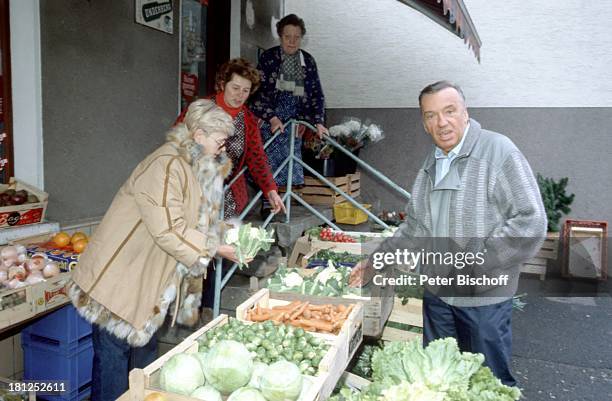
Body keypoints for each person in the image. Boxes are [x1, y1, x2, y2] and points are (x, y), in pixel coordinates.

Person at [350, 81, 547, 386]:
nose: (441, 122)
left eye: (449, 111)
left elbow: (530, 222)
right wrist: (377, 260)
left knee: (488, 384)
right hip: (439, 298)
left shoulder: (497, 151)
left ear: (465, 112)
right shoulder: (432, 163)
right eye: (430, 115)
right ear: (424, 123)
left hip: (483, 300)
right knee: (438, 384)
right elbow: (416, 228)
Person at [69, 99, 246, 401]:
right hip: (120, 282)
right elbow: (168, 228)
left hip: (144, 282)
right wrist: (217, 248)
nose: (224, 147)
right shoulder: (166, 166)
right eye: (220, 140)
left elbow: (192, 222)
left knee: (145, 363)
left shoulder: (189, 167)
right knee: (113, 366)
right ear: (199, 134)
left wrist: (231, 235)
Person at [249, 13, 327, 190]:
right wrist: (272, 117)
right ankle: (268, 204)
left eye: (296, 37)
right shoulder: (269, 58)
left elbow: (316, 94)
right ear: (280, 36)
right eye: (287, 37)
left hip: (294, 121)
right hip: (271, 119)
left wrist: (318, 122)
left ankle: (283, 203)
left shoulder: (307, 61)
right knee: (267, 161)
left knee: (290, 162)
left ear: (301, 38)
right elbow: (258, 91)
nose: (292, 41)